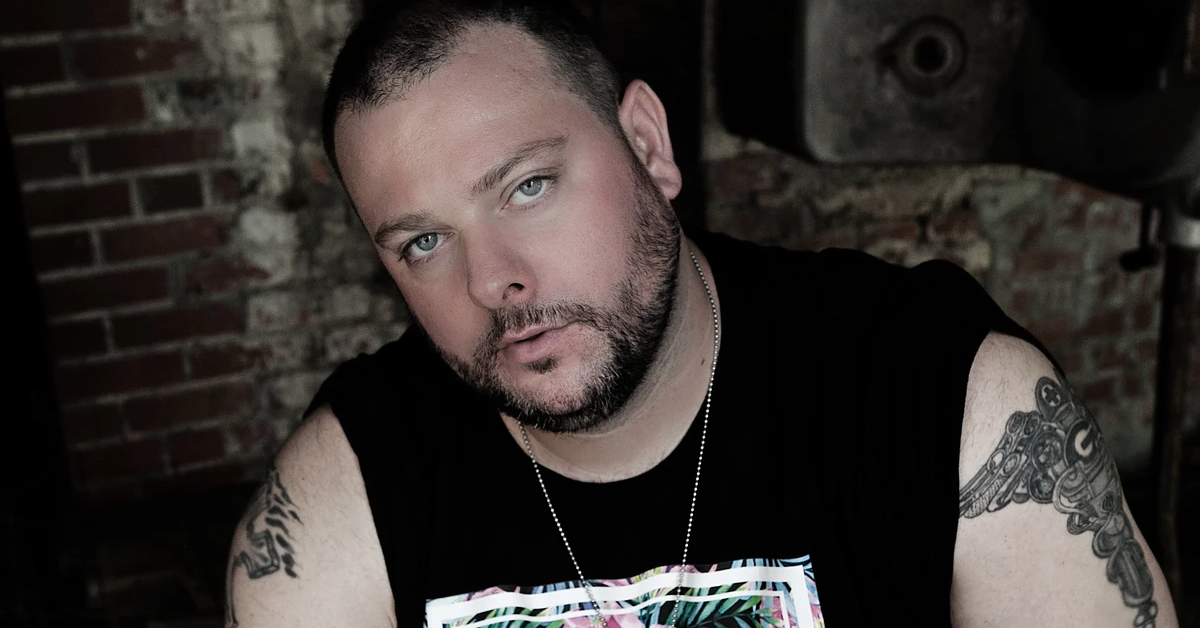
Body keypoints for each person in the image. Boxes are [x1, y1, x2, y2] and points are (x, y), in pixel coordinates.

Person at [223, 1, 1179, 627]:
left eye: (527, 187)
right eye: (424, 242)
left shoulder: (950, 403)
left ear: (647, 143)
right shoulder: (337, 509)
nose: (491, 282)